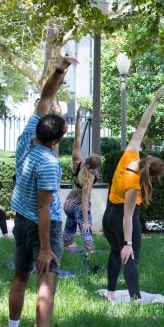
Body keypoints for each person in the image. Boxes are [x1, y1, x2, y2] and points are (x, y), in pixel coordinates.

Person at [3, 55, 76, 327]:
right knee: (46, 283)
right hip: (41, 227)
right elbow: (45, 210)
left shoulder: (26, 140)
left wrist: (59, 71)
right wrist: (46, 249)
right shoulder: (48, 164)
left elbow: (45, 97)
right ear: (57, 137)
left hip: (20, 221)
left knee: (20, 276)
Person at [102, 86, 164, 302]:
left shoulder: (130, 155)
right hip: (121, 218)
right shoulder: (134, 186)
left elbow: (142, 126)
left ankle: (111, 293)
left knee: (114, 252)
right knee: (130, 258)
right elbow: (128, 216)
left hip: (109, 215)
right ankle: (136, 300)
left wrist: (154, 101)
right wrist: (128, 243)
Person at [63, 107, 102, 253]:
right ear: (95, 167)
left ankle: (65, 244)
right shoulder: (90, 177)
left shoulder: (77, 162)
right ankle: (90, 247)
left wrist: (79, 118)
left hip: (68, 203)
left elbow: (77, 139)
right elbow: (84, 201)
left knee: (71, 221)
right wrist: (86, 221)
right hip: (78, 206)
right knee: (84, 222)